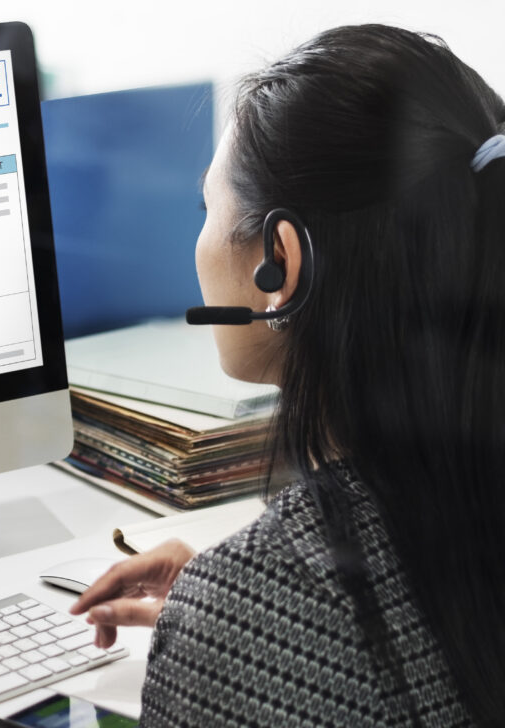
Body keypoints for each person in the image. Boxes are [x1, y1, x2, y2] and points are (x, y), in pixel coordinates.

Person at [71, 24, 505, 727]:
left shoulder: (242, 617)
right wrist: (258, 591)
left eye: (207, 209)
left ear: (281, 262)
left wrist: (242, 612)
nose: (201, 240)